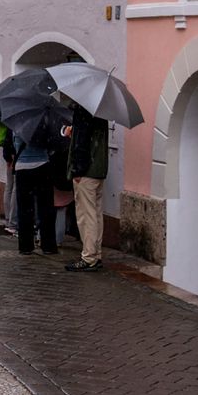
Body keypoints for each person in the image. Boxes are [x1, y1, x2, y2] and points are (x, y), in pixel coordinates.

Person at [65, 106, 110, 272]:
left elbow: (82, 142)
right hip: (99, 170)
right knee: (96, 213)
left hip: (86, 172)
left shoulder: (83, 111)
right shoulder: (101, 113)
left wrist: (77, 169)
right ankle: (96, 254)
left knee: (86, 215)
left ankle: (88, 257)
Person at [13, 130, 60, 255]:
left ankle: (25, 246)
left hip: (22, 167)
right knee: (46, 208)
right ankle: (48, 245)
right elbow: (52, 144)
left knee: (24, 209)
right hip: (42, 165)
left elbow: (13, 145)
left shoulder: (18, 123)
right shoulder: (44, 121)